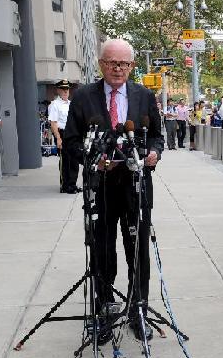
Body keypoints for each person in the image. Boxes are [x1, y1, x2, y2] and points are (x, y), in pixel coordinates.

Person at [64, 38, 164, 342]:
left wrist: (154, 154)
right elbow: (70, 141)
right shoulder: (83, 97)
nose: (118, 68)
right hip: (102, 188)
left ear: (132, 66)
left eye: (124, 63)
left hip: (136, 187)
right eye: (112, 63)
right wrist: (93, 162)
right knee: (102, 252)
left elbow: (158, 137)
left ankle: (138, 311)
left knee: (138, 252)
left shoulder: (144, 95)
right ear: (101, 65)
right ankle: (104, 312)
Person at [48, 79, 81, 193]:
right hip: (62, 133)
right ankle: (65, 185)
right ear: (58, 90)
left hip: (73, 134)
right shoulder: (55, 104)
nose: (66, 91)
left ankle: (72, 184)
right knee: (65, 161)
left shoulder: (71, 104)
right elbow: (53, 123)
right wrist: (58, 138)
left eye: (67, 89)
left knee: (74, 160)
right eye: (63, 89)